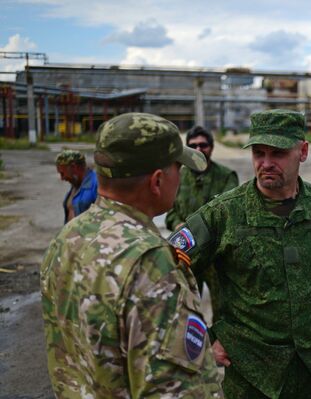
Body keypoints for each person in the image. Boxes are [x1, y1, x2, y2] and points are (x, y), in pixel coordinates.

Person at [168, 109, 311, 399]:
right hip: (251, 374)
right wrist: (204, 339)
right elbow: (166, 276)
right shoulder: (224, 213)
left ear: (302, 151)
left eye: (277, 153)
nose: (266, 163)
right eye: (258, 153)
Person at [40, 113, 223, 398]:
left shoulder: (67, 238)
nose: (182, 175)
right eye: (178, 167)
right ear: (157, 181)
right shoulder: (151, 264)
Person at [166, 126, 239, 322]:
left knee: (223, 313)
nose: (199, 149)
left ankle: (218, 349)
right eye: (193, 145)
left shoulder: (226, 177)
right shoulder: (177, 178)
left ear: (212, 148)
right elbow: (170, 211)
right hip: (186, 257)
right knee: (185, 312)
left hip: (217, 257)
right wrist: (177, 224)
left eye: (203, 145)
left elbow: (231, 215)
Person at [55, 149, 98, 223]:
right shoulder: (76, 183)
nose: (62, 178)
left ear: (74, 167)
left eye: (62, 173)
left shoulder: (96, 184)